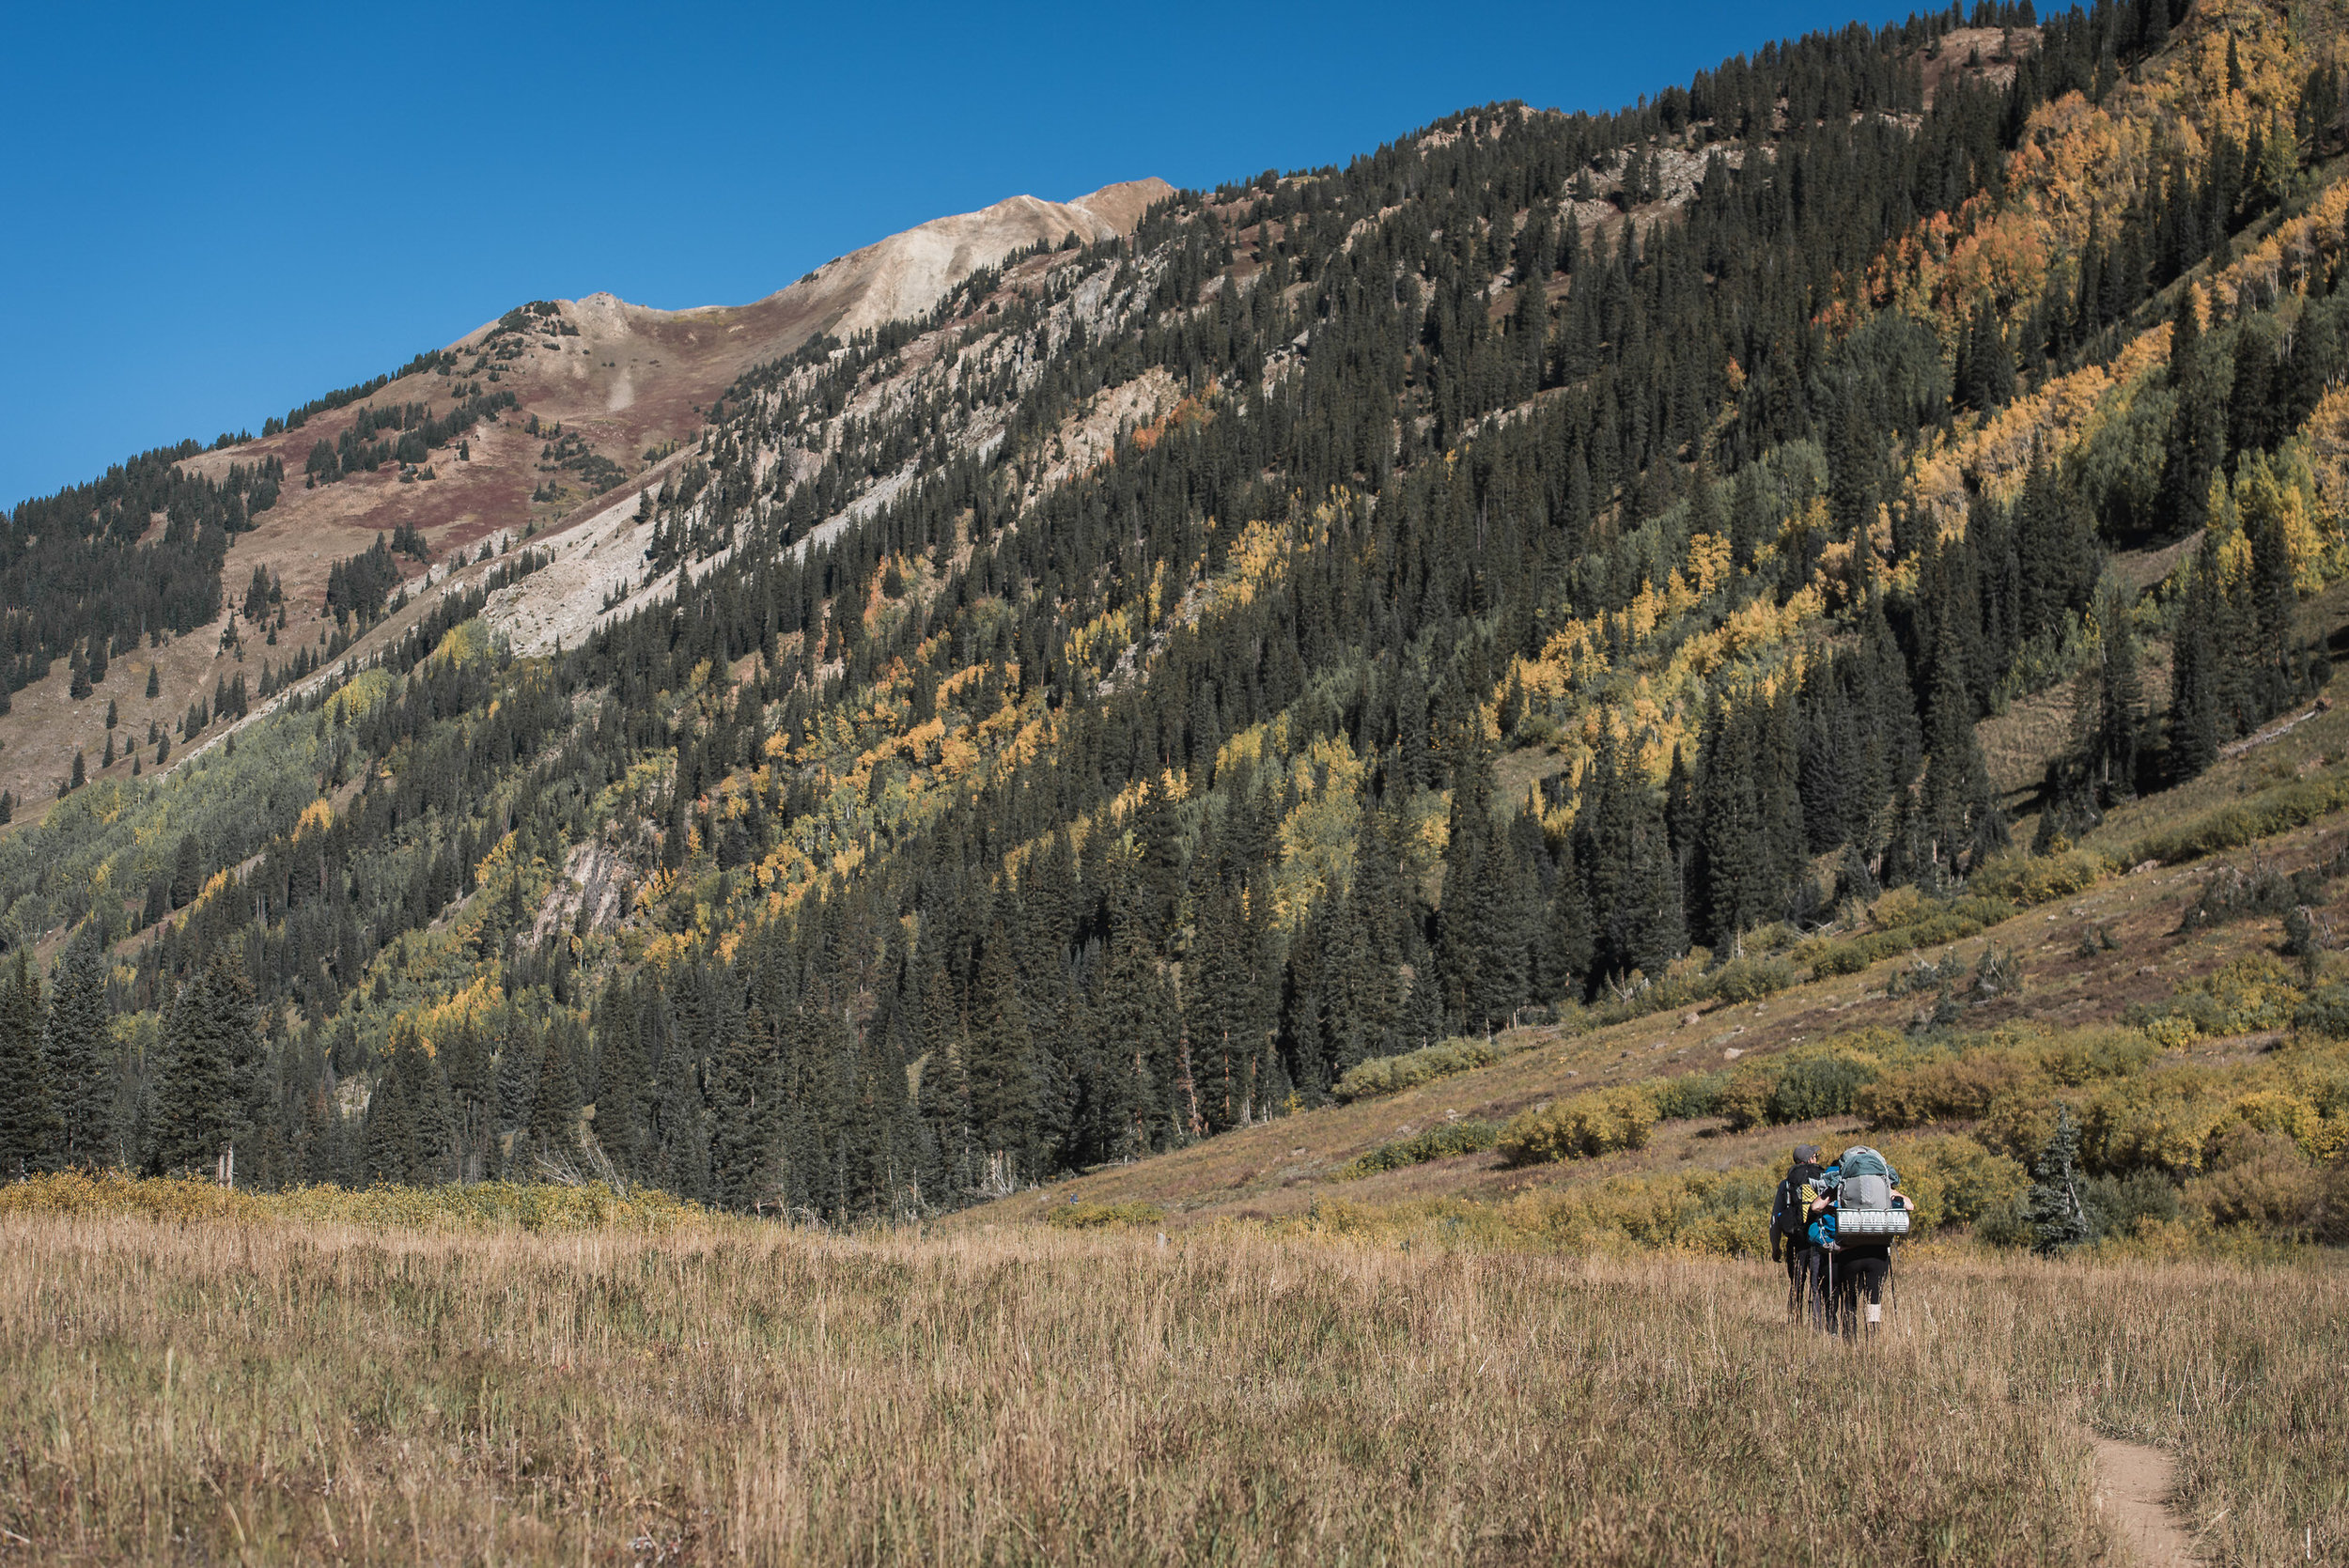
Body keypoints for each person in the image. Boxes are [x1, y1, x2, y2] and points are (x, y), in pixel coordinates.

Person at [1807, 1146, 1914, 1338]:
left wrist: (1835, 1208)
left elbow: (1816, 1206)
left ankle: (1850, 1341)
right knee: (1874, 1298)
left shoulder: (1842, 1183)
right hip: (1878, 1253)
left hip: (1850, 1251)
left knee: (1850, 1298)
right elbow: (1909, 1205)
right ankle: (1872, 1337)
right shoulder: (1884, 1185)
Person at [1770, 1143, 1827, 1326]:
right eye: (1815, 1156)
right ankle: (1817, 1323)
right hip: (1818, 1239)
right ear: (1810, 1159)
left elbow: (1775, 1218)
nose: (1816, 1159)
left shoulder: (1787, 1184)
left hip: (1796, 1240)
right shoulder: (1822, 1179)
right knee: (1816, 1284)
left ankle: (1795, 1322)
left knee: (1796, 1285)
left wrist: (1775, 1246)